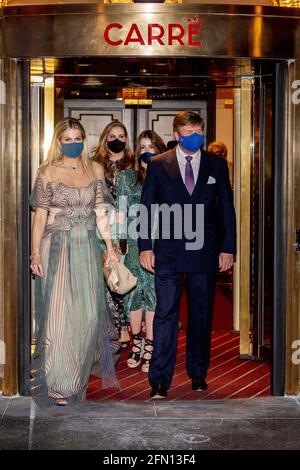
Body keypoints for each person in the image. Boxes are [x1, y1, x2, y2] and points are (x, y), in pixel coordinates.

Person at [138, 111, 236, 399]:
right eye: (190, 131)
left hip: (204, 252)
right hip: (167, 252)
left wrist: (227, 247)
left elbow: (226, 209)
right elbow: (145, 209)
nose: (196, 135)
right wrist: (145, 246)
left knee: (201, 315)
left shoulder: (217, 166)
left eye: (199, 130)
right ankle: (159, 380)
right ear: (177, 135)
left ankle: (198, 373)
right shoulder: (158, 164)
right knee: (165, 315)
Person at [29, 117, 119, 407]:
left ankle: (75, 375)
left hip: (87, 249)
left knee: (89, 317)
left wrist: (110, 247)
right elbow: (40, 216)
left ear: (84, 138)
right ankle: (58, 383)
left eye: (77, 138)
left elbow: (101, 213)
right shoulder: (47, 172)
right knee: (58, 317)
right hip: (56, 248)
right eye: (67, 139)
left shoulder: (94, 169)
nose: (73, 143)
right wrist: (35, 253)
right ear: (59, 141)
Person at [115, 131, 167, 372]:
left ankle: (150, 345)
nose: (147, 150)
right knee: (134, 295)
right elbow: (120, 210)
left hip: (162, 242)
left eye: (151, 146)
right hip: (135, 243)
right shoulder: (127, 177)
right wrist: (118, 241)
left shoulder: (169, 174)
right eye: (142, 146)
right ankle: (136, 342)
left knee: (154, 297)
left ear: (160, 149)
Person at [93, 121, 134, 349]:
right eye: (111, 136)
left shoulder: (133, 165)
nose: (116, 140)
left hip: (128, 228)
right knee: (106, 279)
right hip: (101, 229)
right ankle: (112, 328)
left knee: (122, 277)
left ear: (126, 139)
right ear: (104, 138)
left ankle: (125, 325)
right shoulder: (96, 165)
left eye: (120, 136)